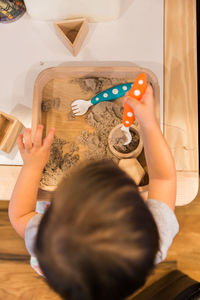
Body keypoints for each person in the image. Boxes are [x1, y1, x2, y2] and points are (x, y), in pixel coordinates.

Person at [8, 84, 179, 300]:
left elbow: (20, 215)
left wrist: (32, 166)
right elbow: (164, 178)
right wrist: (149, 123)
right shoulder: (152, 240)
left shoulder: (49, 241)